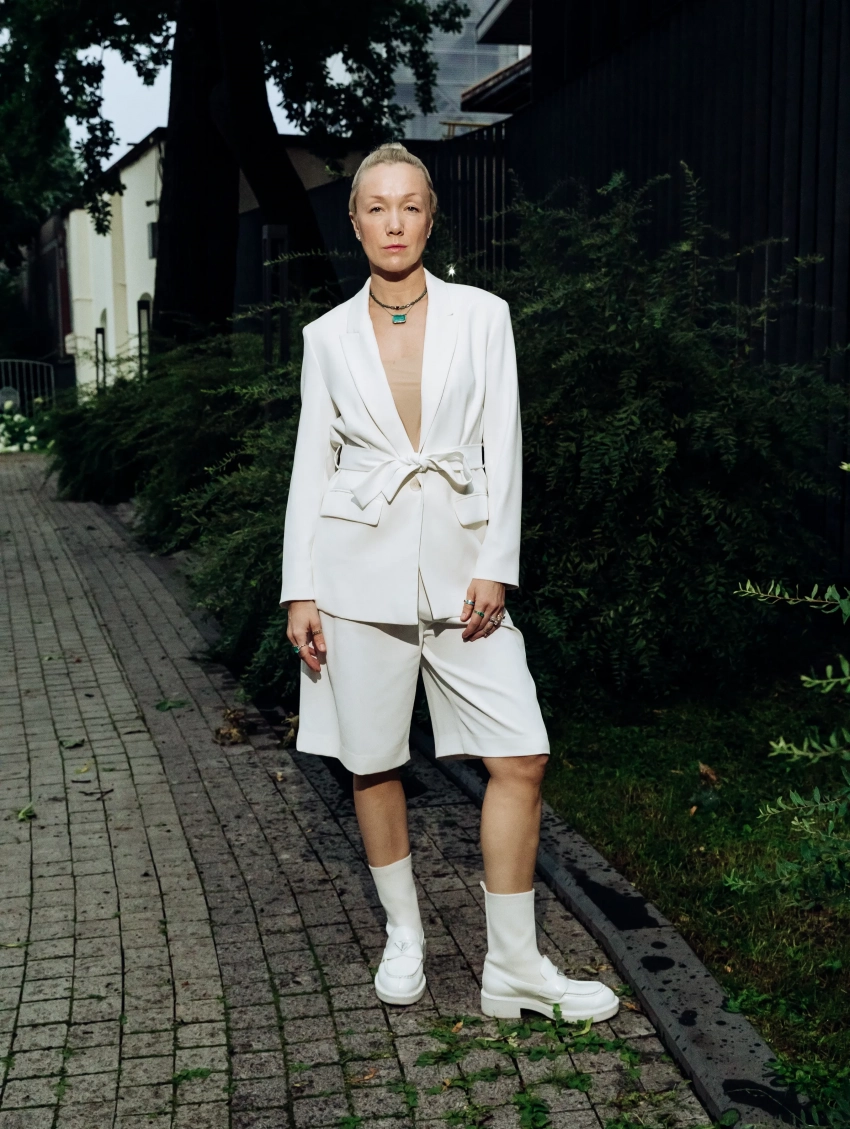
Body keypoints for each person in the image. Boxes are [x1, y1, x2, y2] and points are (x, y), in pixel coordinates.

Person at [280, 142, 618, 1023]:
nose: (394, 223)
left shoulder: (483, 316)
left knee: (521, 752)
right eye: (376, 207)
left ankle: (513, 967)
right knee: (372, 759)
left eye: (410, 206)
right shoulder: (325, 337)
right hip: (355, 572)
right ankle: (404, 935)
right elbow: (311, 466)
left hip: (465, 574)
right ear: (355, 222)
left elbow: (504, 442)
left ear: (431, 219)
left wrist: (496, 563)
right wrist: (300, 589)